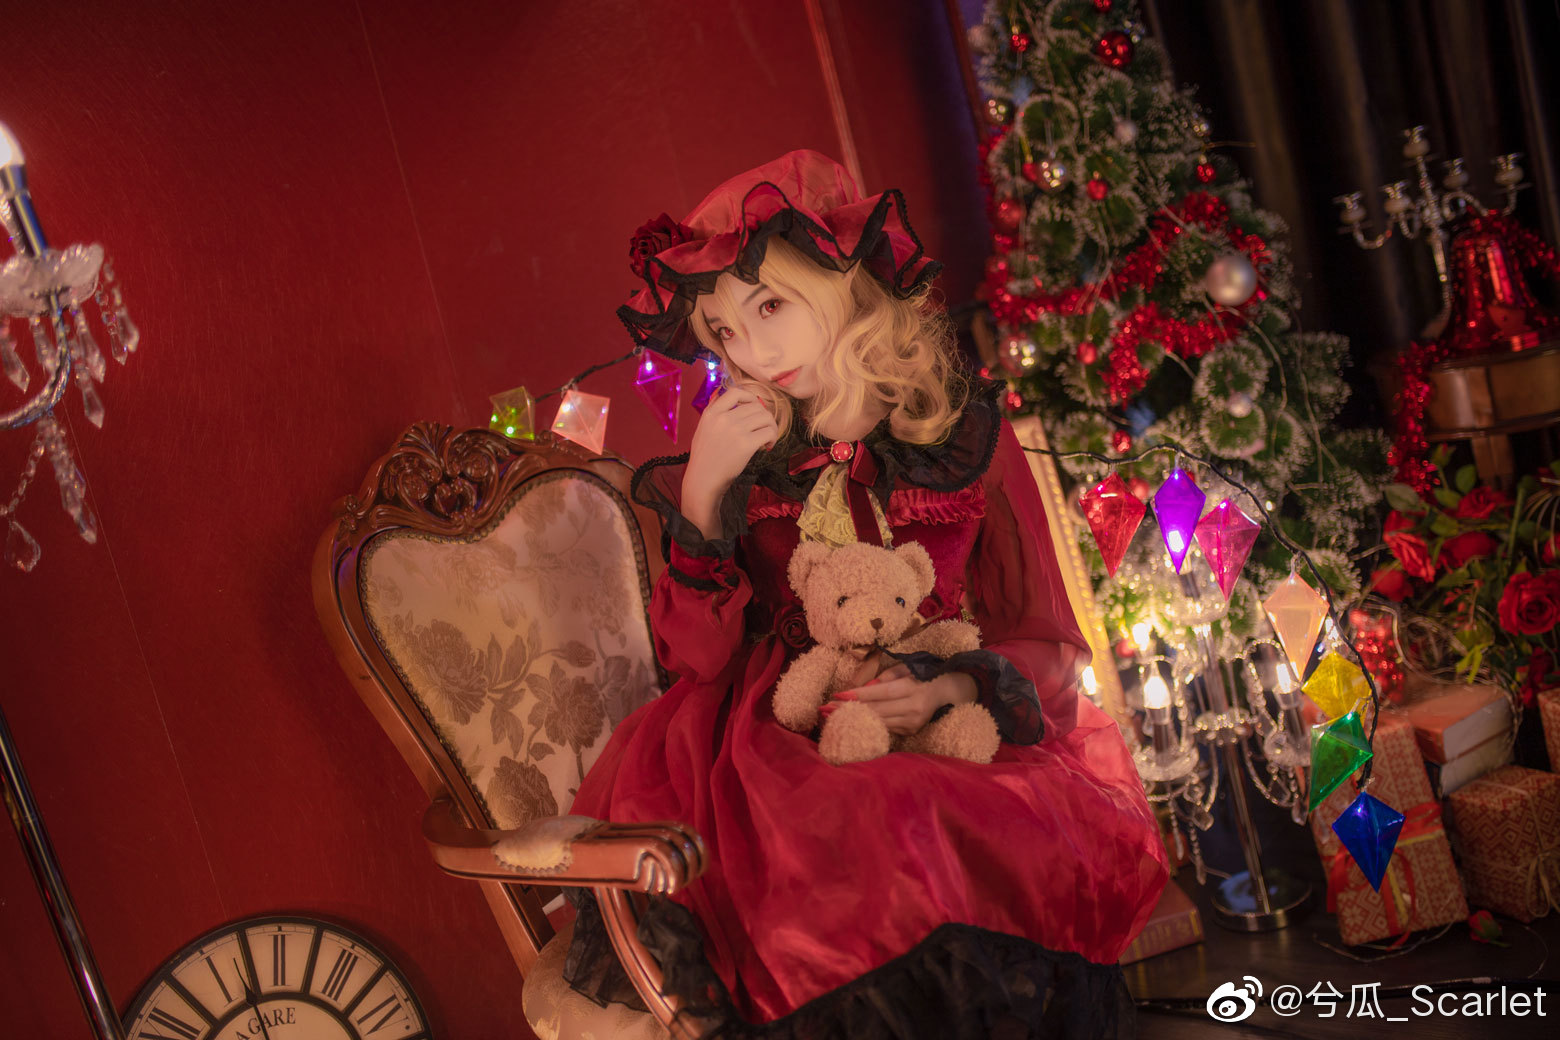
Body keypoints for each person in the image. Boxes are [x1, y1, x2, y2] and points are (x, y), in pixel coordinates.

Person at [565, 150, 1167, 1038]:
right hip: (780, 740)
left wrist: (949, 686)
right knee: (868, 822)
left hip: (955, 713)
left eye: (771, 307)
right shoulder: (738, 454)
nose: (752, 351)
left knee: (967, 821)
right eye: (725, 330)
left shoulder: (962, 435)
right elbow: (697, 658)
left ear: (844, 284)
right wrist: (703, 493)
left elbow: (1041, 638)